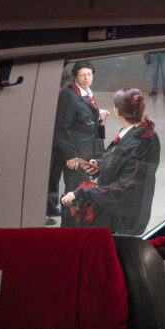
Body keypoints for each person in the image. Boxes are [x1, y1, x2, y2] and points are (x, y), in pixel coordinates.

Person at [61, 88, 159, 235]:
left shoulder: (135, 142)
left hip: (122, 218)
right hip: (129, 210)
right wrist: (100, 166)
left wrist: (82, 193)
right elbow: (124, 165)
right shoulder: (142, 133)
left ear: (117, 111)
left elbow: (122, 188)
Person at [47, 61, 109, 222]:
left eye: (89, 74)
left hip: (87, 151)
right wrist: (71, 155)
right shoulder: (69, 95)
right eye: (82, 75)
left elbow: (80, 117)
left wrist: (97, 116)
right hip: (76, 155)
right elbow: (62, 127)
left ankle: (75, 222)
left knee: (80, 188)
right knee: (74, 191)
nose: (86, 78)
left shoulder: (86, 92)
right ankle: (69, 225)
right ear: (75, 77)